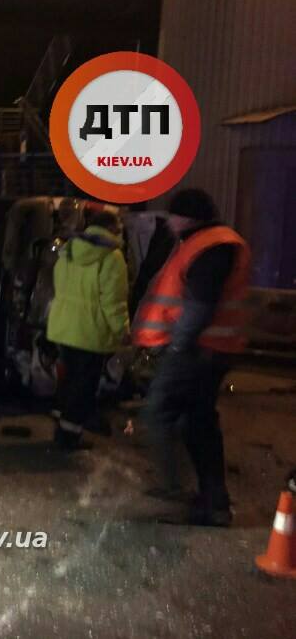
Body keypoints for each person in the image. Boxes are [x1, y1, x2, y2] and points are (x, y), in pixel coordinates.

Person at [133, 188, 251, 527]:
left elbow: (200, 306)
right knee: (196, 421)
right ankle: (211, 501)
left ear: (186, 218)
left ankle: (179, 494)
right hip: (205, 349)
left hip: (199, 351)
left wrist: (177, 347)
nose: (169, 223)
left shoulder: (211, 247)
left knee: (161, 412)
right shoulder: (202, 242)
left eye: (173, 216)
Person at [46, 211, 130, 450]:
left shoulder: (69, 250)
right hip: (90, 331)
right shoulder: (112, 257)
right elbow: (113, 301)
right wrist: (122, 331)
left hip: (64, 326)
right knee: (83, 386)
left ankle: (61, 426)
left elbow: (59, 284)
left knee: (68, 379)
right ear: (112, 229)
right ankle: (69, 438)